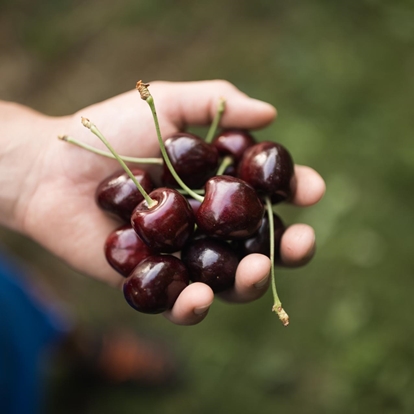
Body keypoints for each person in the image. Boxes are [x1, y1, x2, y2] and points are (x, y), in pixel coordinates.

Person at [0, 79, 325, 325]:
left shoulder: (204, 193)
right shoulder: (178, 204)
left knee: (27, 317)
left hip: (221, 220)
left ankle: (81, 348)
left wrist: (34, 165)